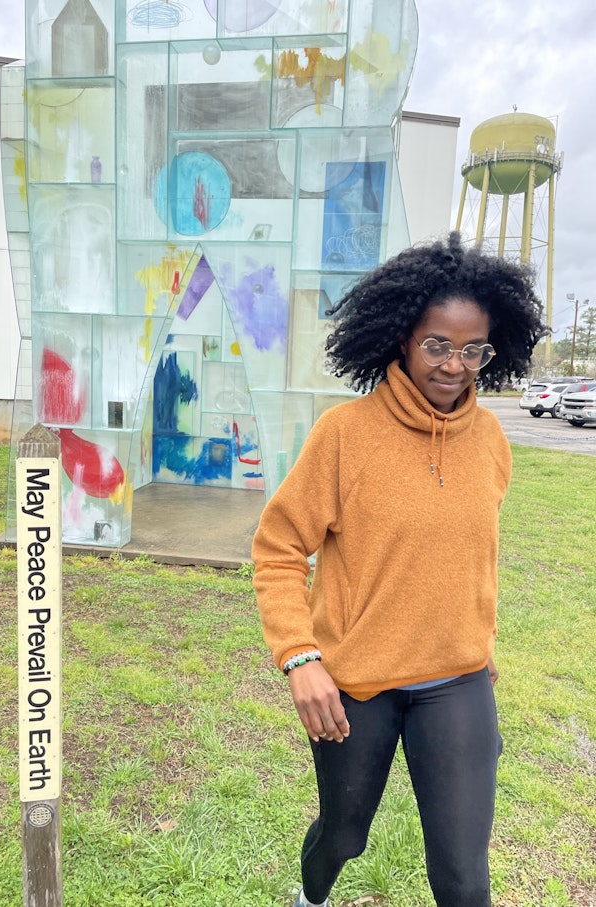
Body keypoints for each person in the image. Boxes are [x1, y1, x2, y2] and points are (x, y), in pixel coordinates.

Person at [251, 232, 547, 907]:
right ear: (402, 336)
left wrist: (476, 633)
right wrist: (300, 657)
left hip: (457, 679)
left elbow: (473, 552)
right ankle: (310, 897)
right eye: (438, 344)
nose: (455, 364)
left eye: (474, 349)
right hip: (357, 684)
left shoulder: (493, 442)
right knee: (342, 837)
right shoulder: (344, 434)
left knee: (466, 877)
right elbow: (277, 549)